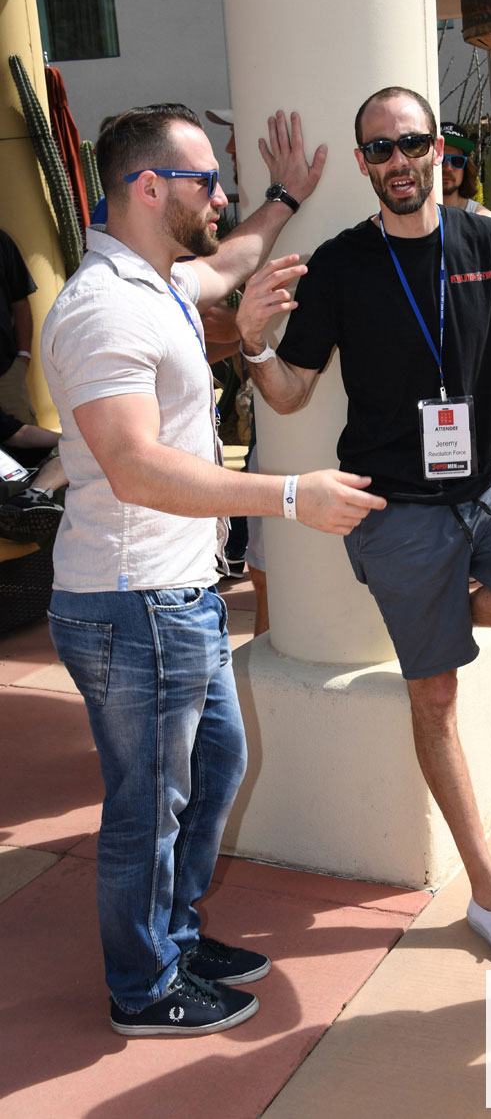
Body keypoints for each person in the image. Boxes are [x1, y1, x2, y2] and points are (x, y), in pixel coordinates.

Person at [236, 85, 491, 970]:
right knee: (433, 696)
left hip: (481, 489)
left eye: (410, 143)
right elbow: (288, 391)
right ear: (363, 164)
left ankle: (430, 611)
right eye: (378, 150)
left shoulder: (483, 239)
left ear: (439, 148)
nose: (396, 162)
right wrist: (250, 342)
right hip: (395, 503)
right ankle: (490, 896)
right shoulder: (339, 263)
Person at [40, 103, 385, 1037]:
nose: (222, 196)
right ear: (149, 188)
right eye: (208, 182)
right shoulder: (105, 306)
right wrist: (285, 497)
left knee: (215, 764)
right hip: (131, 601)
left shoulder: (154, 279)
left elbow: (228, 261)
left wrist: (282, 198)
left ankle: (176, 935)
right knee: (147, 804)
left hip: (174, 597)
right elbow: (134, 465)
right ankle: (143, 985)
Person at [0, 406, 66, 545]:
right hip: (10, 493)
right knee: (67, 498)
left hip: (28, 479)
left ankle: (32, 498)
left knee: (76, 453)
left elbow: (21, 434)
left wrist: (71, 441)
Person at [0, 228, 37, 424]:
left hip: (6, 374)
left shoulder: (2, 241)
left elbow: (21, 303)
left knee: (26, 450)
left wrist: (24, 357)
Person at [440, 121, 491, 220]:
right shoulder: (410, 218)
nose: (448, 167)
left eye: (457, 161)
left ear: (466, 167)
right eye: (441, 159)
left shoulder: (483, 220)